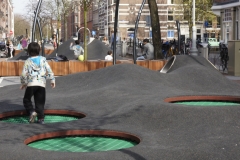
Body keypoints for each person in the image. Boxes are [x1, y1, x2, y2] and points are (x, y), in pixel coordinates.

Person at [20, 42, 55, 124]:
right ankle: (41, 119)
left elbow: (23, 74)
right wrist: (52, 80)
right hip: (41, 84)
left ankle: (32, 112)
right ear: (39, 50)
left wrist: (23, 83)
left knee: (26, 99)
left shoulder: (28, 61)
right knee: (40, 102)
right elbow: (49, 70)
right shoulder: (43, 60)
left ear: (28, 51)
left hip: (31, 84)